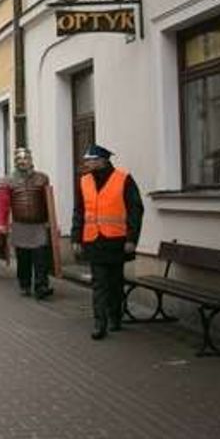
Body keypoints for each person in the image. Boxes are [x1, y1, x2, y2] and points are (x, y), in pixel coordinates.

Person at [71, 145, 144, 340]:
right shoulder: (84, 181)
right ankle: (99, 323)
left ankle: (115, 316)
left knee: (115, 282)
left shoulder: (123, 179)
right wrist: (76, 237)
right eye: (87, 160)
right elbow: (79, 211)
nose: (87, 163)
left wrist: (131, 238)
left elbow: (135, 210)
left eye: (90, 160)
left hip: (117, 241)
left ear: (102, 161)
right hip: (94, 240)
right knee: (99, 284)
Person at [0, 148, 54, 299]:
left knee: (41, 257)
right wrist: (1, 223)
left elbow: (48, 202)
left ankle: (41, 285)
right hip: (20, 224)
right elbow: (3, 204)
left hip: (39, 224)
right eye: (19, 159)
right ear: (15, 162)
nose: (23, 162)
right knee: (24, 258)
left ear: (31, 160)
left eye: (25, 158)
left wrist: (51, 222)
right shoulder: (8, 180)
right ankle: (25, 284)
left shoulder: (42, 178)